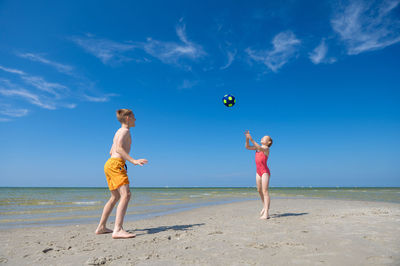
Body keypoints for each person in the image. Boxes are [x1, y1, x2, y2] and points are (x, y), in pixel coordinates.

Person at [95, 109, 148, 239]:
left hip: (109, 164)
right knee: (126, 194)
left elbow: (111, 151)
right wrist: (133, 161)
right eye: (134, 117)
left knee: (115, 197)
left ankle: (101, 227)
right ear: (128, 118)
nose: (136, 119)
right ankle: (117, 229)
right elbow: (118, 148)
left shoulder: (118, 132)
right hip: (116, 165)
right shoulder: (125, 131)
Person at [245, 130, 273, 220]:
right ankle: (264, 206)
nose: (262, 138)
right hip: (258, 171)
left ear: (268, 142)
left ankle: (267, 213)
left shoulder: (266, 149)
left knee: (265, 191)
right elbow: (247, 147)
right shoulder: (257, 148)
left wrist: (252, 139)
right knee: (259, 190)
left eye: (265, 138)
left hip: (265, 172)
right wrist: (247, 139)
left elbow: (260, 148)